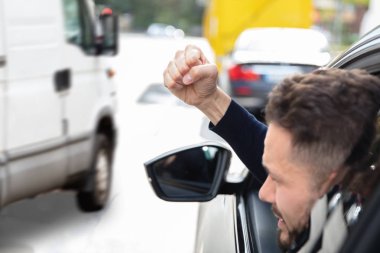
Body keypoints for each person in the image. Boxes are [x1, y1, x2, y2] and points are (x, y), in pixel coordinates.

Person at [163, 45, 380, 252]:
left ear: (331, 182)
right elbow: (286, 159)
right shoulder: (348, 203)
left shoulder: (358, 222)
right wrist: (210, 101)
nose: (263, 193)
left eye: (278, 179)